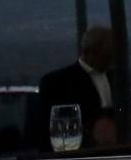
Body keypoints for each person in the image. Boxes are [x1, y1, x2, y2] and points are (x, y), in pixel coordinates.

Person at [29, 23, 117, 151]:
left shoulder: (116, 79)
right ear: (89, 51)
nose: (111, 60)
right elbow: (51, 128)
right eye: (107, 54)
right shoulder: (58, 83)